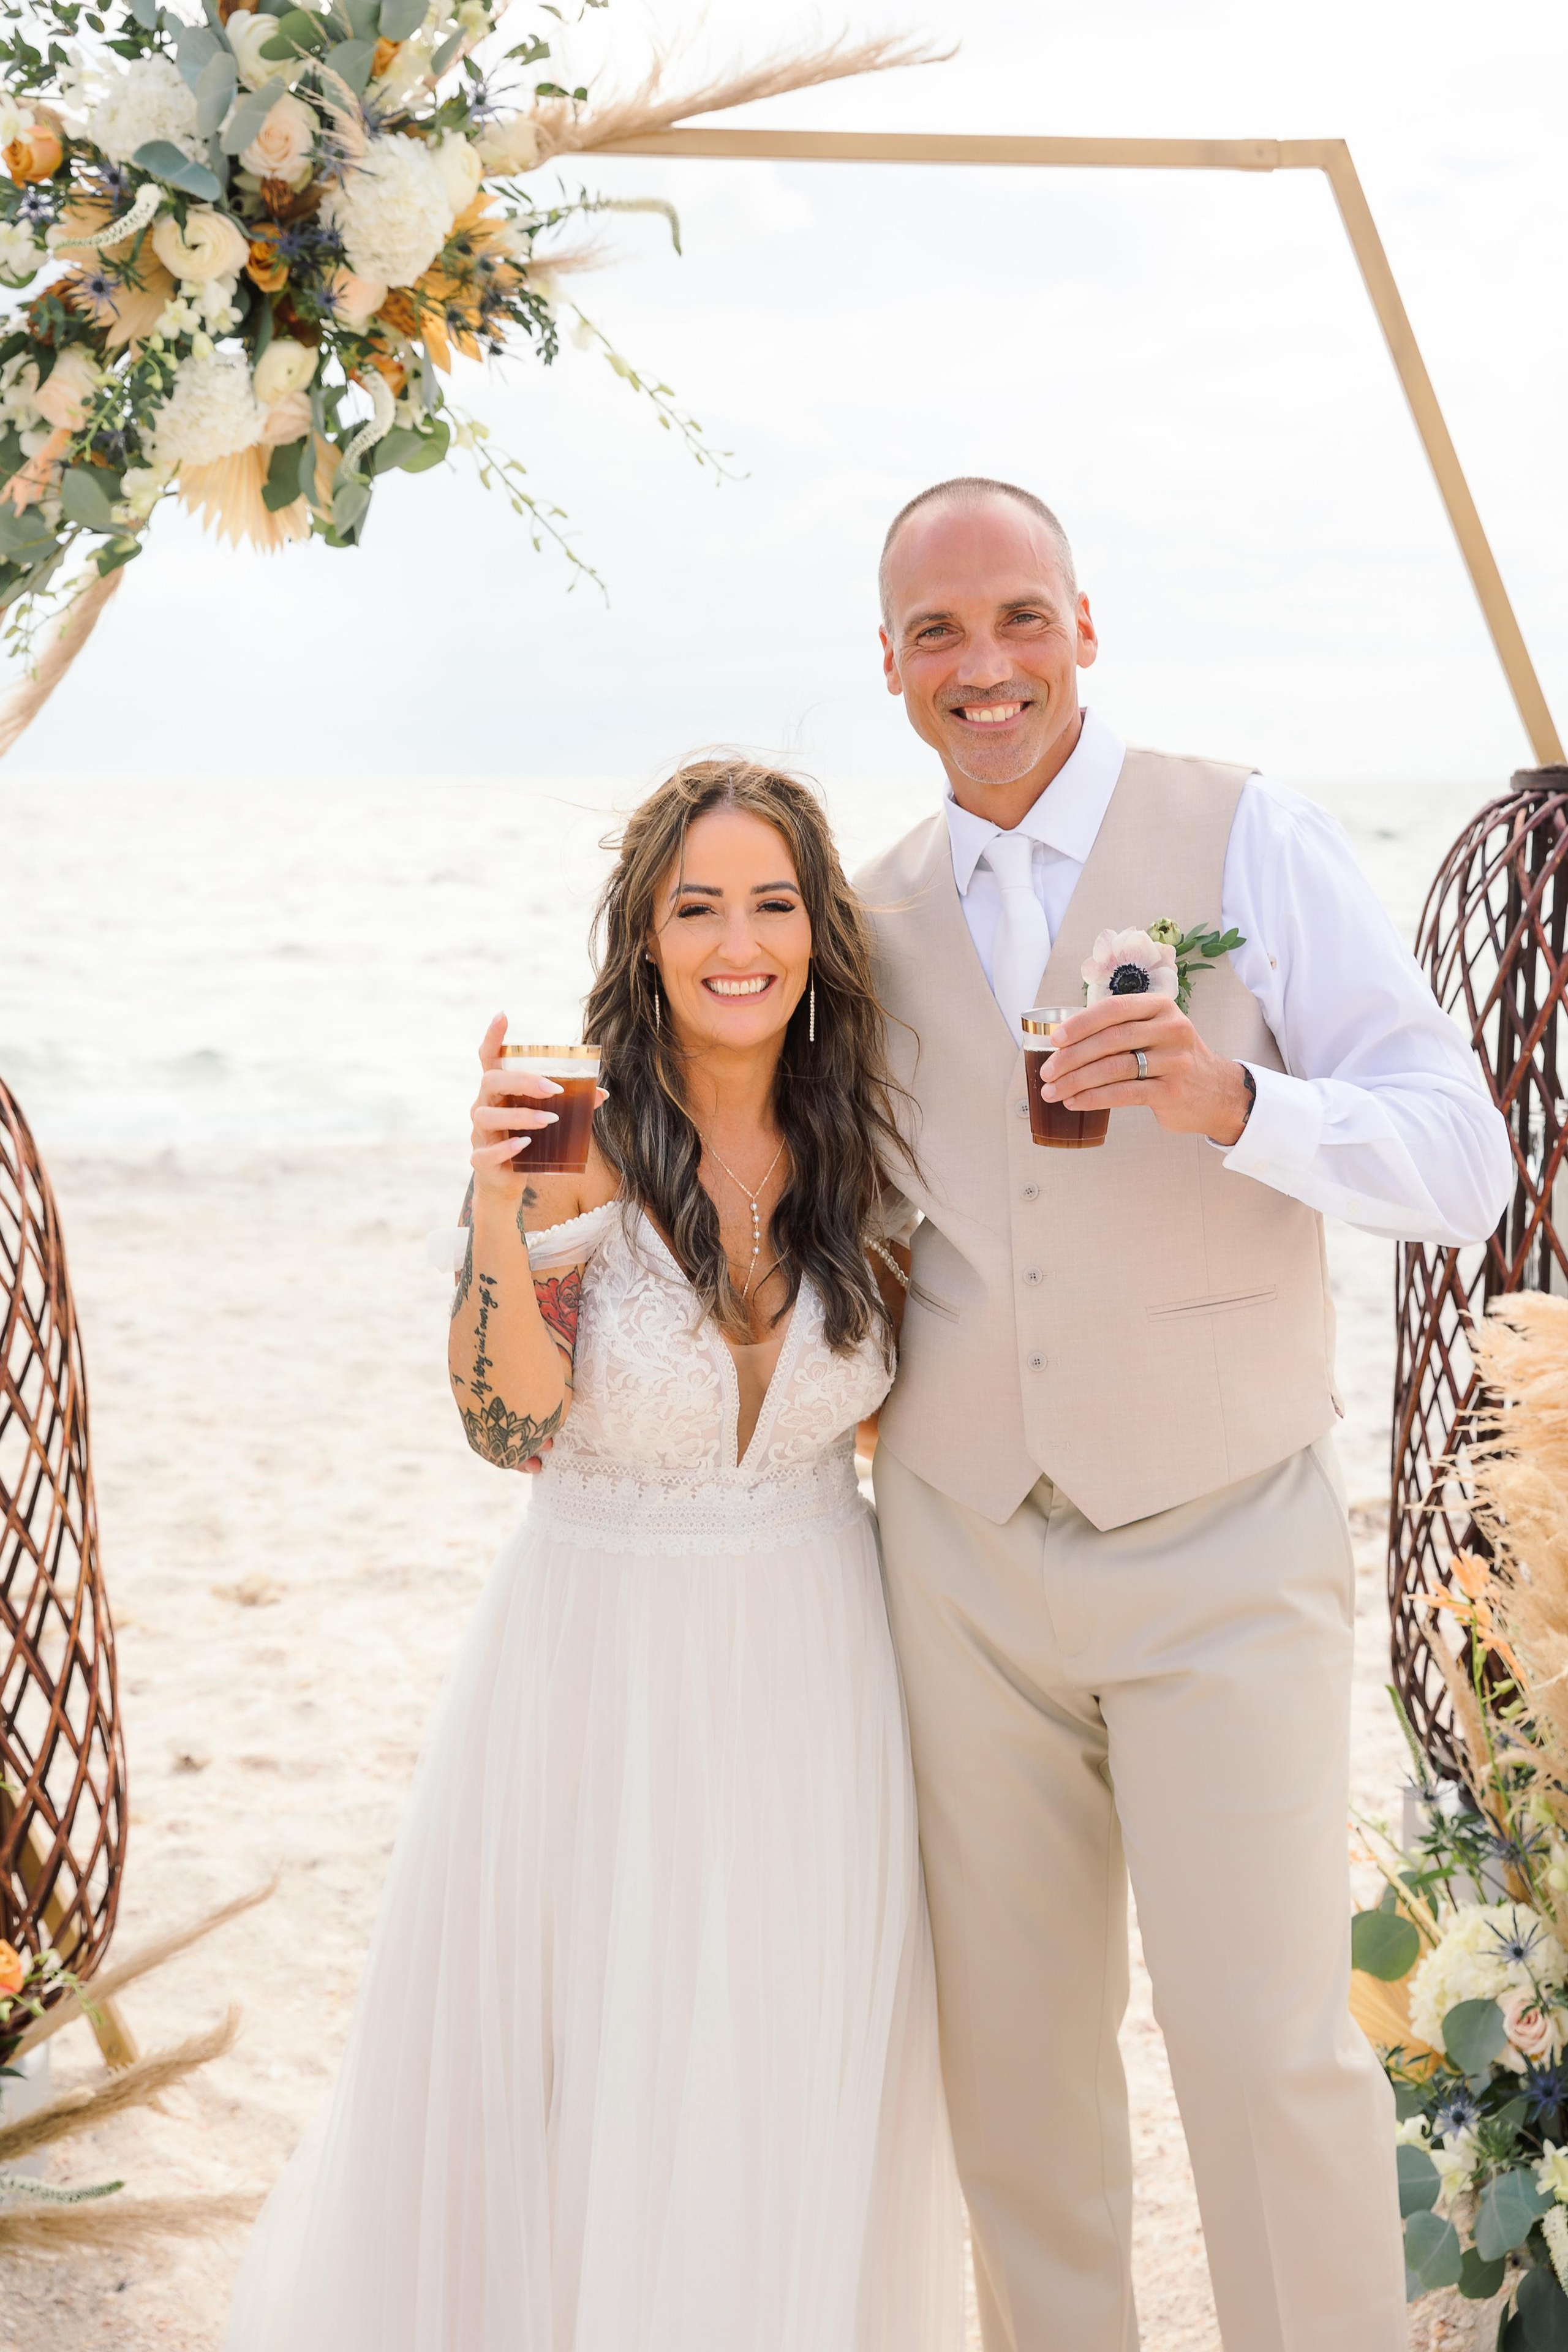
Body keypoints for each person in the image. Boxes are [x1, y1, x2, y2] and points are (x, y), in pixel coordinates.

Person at [856, 475, 1513, 2352]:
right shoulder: (872, 904)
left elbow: (1460, 1157)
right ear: (891, 665)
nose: (985, 666)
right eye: (937, 632)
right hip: (963, 1556)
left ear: (1086, 622)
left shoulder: (1249, 838)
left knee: (1264, 2049)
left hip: (1224, 1537)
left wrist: (1242, 1109)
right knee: (1020, 2077)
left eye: (1019, 617)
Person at [224, 758, 965, 2352]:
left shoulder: (860, 1149)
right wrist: (498, 1210)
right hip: (597, 1665)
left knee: (777, 2054)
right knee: (588, 2061)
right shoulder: (574, 1136)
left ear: (819, 935)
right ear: (642, 939)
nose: (736, 942)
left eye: (773, 903)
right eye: (696, 908)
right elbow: (505, 1424)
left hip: (814, 1662)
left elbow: (904, 1418)